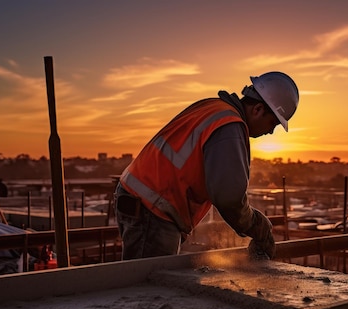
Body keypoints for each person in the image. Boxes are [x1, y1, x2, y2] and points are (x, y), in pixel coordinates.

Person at [114, 71, 299, 261]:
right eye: (273, 123)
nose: (270, 132)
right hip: (153, 209)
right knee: (150, 286)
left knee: (143, 281)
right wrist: (257, 226)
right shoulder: (230, 125)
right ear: (258, 109)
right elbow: (228, 197)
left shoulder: (214, 108)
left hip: (141, 199)